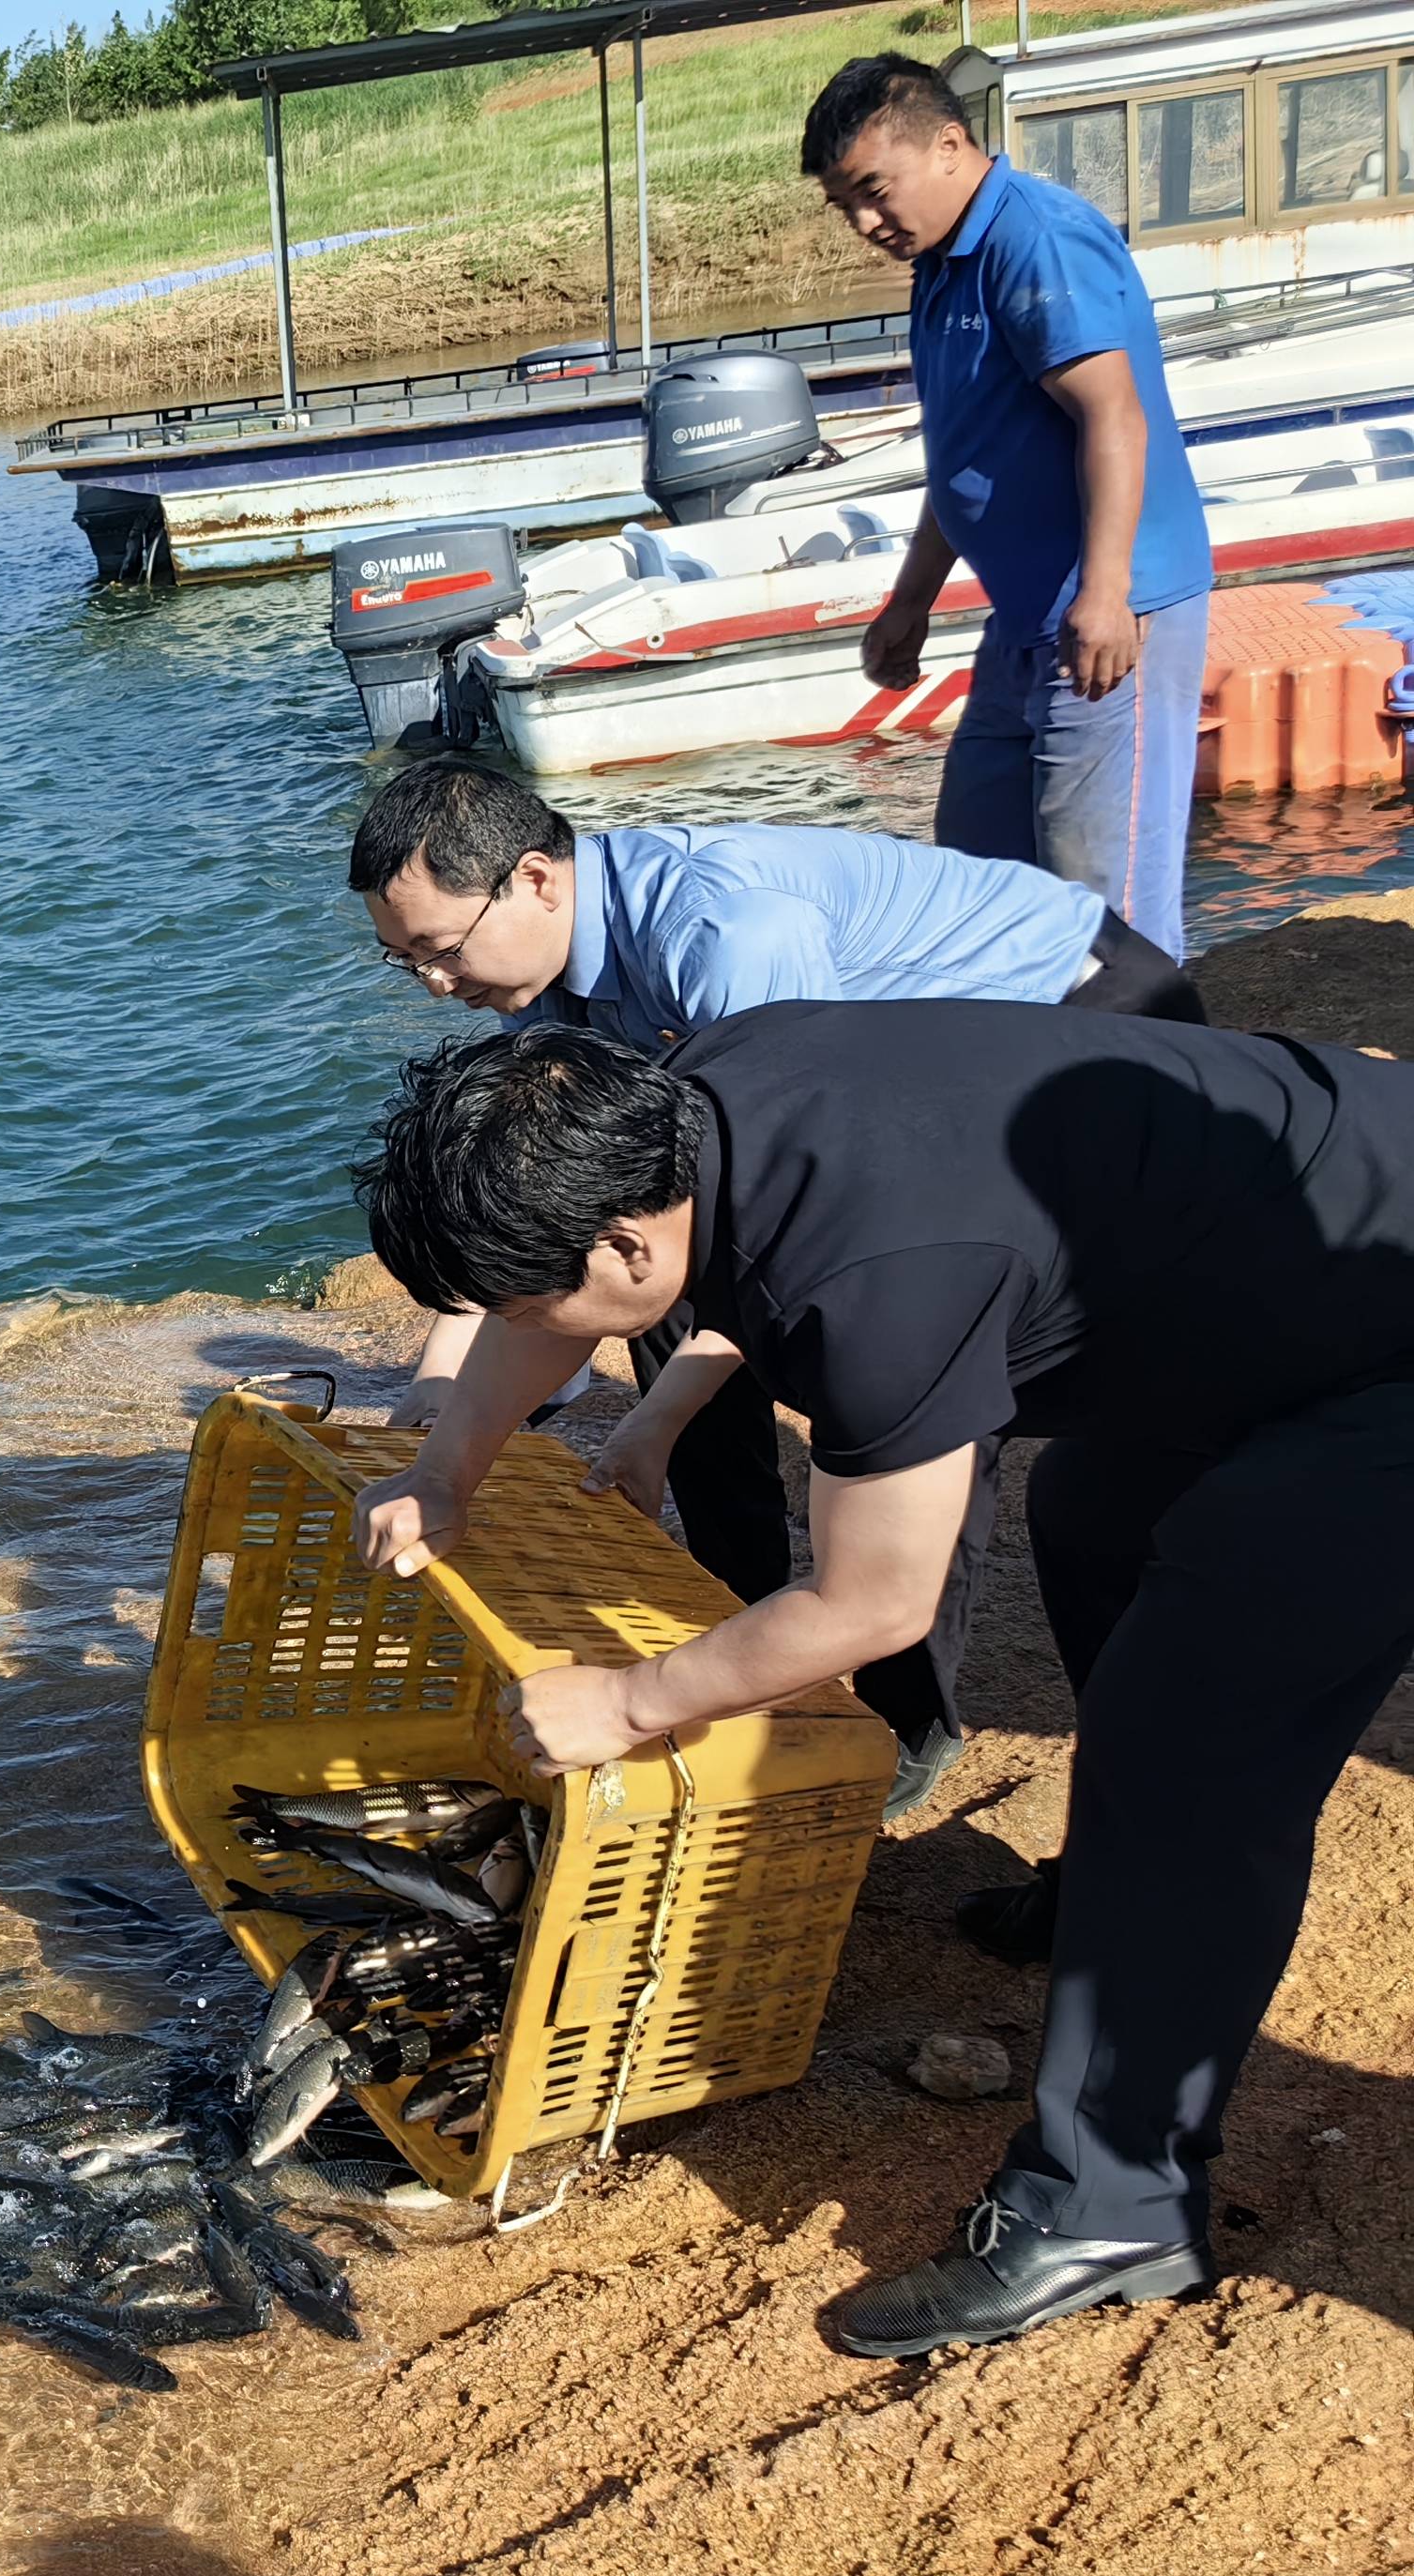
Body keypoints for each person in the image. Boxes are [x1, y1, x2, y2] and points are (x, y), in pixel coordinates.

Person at [345, 1011, 1414, 2354]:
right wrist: (447, 1471)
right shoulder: (678, 1108)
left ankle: (1112, 2202)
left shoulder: (873, 1278)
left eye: (524, 1293)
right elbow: (550, 1315)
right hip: (1286, 1270)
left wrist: (625, 1703)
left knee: (1191, 1731)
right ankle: (1119, 1911)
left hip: (1388, 1338)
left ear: (628, 1244)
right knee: (1095, 1521)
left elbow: (872, 1601)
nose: (520, 1325)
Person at [350, 755, 1200, 1814]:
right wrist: (442, 1428)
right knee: (646, 1285)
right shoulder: (544, 980)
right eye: (405, 965)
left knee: (916, 1388)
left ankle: (901, 1727)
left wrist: (656, 1420)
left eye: (439, 952)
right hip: (880, 1107)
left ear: (534, 879)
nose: (435, 985)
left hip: (1084, 1019)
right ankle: (741, 1616)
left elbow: (806, 1208)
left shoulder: (729, 940)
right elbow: (534, 1212)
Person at [803, 54, 1211, 952]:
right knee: (983, 868)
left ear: (949, 144)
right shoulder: (941, 264)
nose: (867, 223)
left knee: (1104, 911)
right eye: (846, 207)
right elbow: (965, 457)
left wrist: (1107, 595)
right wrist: (908, 603)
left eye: (876, 191)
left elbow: (1114, 415)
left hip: (1114, 610)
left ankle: (1156, 1081)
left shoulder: (1037, 238)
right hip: (1025, 618)